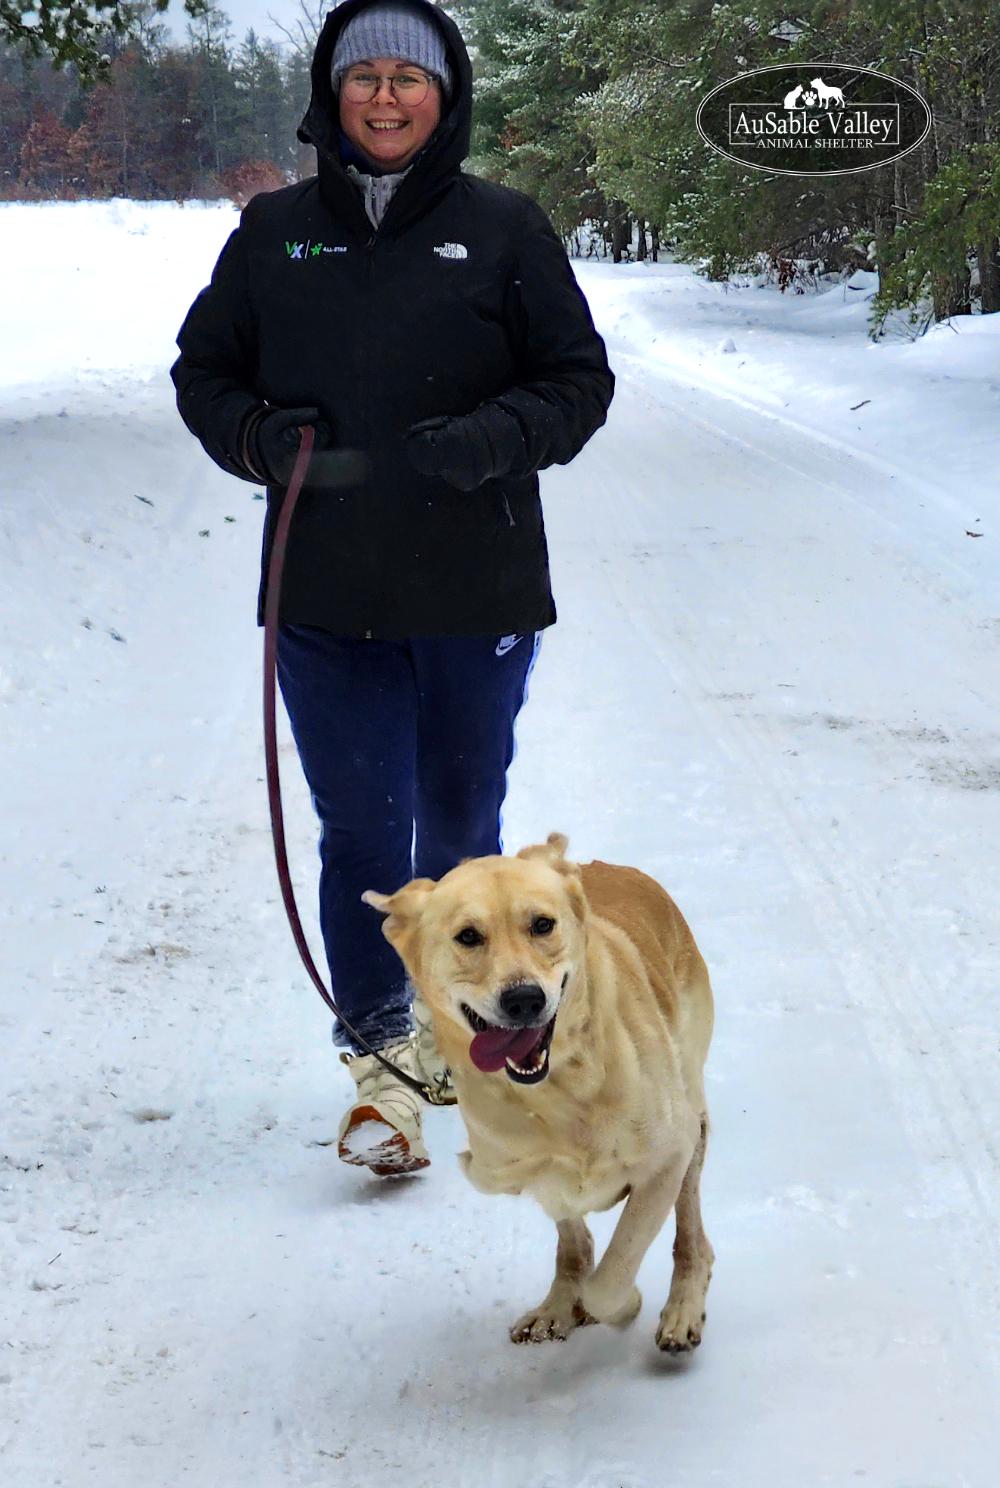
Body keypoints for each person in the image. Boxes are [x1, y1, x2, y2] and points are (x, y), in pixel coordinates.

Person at [170, 0, 615, 1177]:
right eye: (362, 76)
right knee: (366, 840)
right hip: (327, 594)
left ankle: (474, 1040)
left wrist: (489, 439)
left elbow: (577, 381)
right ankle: (381, 1074)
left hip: (477, 595)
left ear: (444, 96)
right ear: (332, 94)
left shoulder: (505, 228)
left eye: (406, 80)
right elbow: (203, 373)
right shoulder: (273, 232)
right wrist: (261, 439)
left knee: (465, 839)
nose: (383, 97)